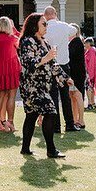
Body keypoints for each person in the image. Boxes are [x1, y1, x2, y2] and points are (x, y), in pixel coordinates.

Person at [18, 13, 70, 158]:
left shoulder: (44, 42)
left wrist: (65, 78)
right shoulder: (27, 42)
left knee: (32, 115)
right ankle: (51, 150)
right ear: (35, 25)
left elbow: (52, 64)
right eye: (44, 24)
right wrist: (45, 58)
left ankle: (25, 149)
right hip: (31, 86)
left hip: (42, 85)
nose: (47, 26)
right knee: (50, 111)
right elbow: (28, 64)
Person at [42, 6, 78, 132]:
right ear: (55, 14)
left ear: (45, 15)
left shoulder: (44, 28)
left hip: (50, 64)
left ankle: (55, 126)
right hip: (63, 63)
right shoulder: (63, 26)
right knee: (65, 96)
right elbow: (74, 30)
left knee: (53, 95)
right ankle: (69, 123)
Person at [0, 16, 21, 132]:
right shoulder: (13, 39)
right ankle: (10, 122)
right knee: (12, 97)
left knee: (0, 96)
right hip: (12, 69)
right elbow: (20, 47)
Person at [67, 24, 86, 128]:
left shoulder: (77, 41)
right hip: (73, 73)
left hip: (77, 74)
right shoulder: (73, 42)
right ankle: (75, 119)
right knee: (72, 97)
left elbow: (70, 55)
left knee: (78, 96)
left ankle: (81, 120)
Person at [84, 37, 96, 111]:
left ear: (89, 43)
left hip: (90, 72)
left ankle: (90, 103)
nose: (85, 44)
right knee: (91, 88)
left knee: (89, 88)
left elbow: (91, 63)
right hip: (90, 72)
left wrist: (89, 74)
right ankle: (92, 103)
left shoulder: (91, 51)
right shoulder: (90, 50)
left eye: (86, 43)